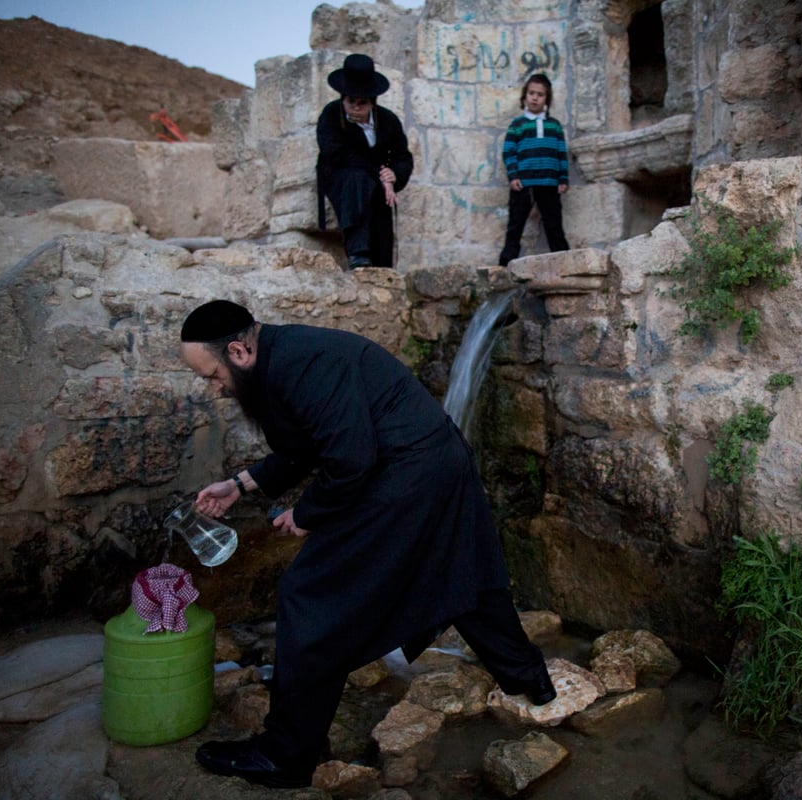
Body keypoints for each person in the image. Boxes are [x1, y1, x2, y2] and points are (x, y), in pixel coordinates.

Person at [179, 300, 555, 789]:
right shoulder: (281, 358)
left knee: (310, 595)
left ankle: (285, 755)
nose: (215, 389)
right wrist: (242, 484)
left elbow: (350, 459)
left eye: (212, 375)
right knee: (466, 577)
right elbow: (304, 445)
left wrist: (309, 514)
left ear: (237, 351)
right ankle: (533, 683)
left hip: (408, 473)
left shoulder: (304, 363)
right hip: (432, 464)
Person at [316, 54, 413, 269]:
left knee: (381, 206)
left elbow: (402, 156)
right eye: (351, 102)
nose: (356, 108)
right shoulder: (331, 115)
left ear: (372, 102)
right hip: (342, 176)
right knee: (357, 181)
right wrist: (380, 172)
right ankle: (358, 253)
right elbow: (335, 153)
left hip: (376, 181)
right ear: (343, 99)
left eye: (363, 103)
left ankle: (382, 267)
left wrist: (393, 175)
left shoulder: (387, 121)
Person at [497, 73, 570, 267]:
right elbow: (509, 152)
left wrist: (563, 179)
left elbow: (561, 153)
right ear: (525, 96)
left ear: (547, 99)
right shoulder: (517, 125)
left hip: (549, 183)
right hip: (524, 183)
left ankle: (564, 260)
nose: (535, 97)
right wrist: (513, 176)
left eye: (540, 94)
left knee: (554, 224)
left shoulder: (554, 126)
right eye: (531, 93)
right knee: (515, 223)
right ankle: (507, 260)